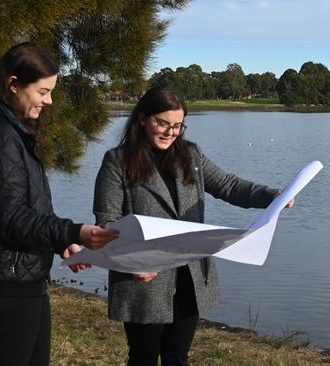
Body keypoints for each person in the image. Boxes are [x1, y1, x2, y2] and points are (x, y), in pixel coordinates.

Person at [93, 85, 294, 366]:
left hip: (189, 277)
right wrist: (132, 261)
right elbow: (106, 220)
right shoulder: (117, 161)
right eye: (162, 123)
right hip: (144, 279)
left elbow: (229, 186)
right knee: (143, 357)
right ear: (142, 119)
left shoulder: (191, 155)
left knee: (177, 357)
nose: (170, 132)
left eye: (177, 126)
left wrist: (272, 196)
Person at [0, 42, 118, 366]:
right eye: (43, 91)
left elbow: (27, 207)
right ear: (13, 84)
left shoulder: (12, 131)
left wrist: (63, 244)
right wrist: (74, 232)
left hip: (21, 271)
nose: (49, 100)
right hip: (7, 275)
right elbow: (11, 218)